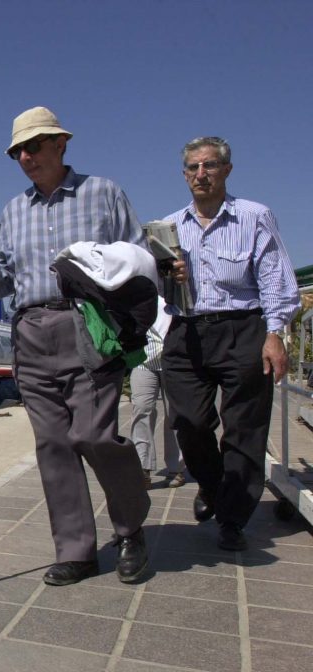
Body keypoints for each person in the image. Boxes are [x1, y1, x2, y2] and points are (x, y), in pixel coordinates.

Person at [0, 107, 173, 586]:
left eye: (34, 145)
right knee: (54, 445)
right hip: (31, 330)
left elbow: (139, 260)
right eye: (17, 150)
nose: (25, 156)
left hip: (88, 325)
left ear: (61, 144)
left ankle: (131, 528)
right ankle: (77, 550)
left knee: (94, 436)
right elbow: (3, 283)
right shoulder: (12, 211)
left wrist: (135, 324)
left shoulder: (103, 193)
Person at [161, 137, 300, 551]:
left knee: (244, 429)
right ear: (184, 174)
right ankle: (211, 483)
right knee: (189, 421)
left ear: (226, 170)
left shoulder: (254, 216)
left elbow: (275, 278)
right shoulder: (168, 227)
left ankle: (233, 519)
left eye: (209, 166)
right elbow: (153, 288)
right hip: (186, 332)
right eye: (191, 168)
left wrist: (274, 333)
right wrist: (168, 276)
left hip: (243, 328)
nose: (200, 174)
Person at [129, 298, 185, 489]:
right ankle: (142, 468)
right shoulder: (142, 291)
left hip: (174, 361)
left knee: (173, 415)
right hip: (144, 360)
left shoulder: (177, 294)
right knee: (142, 409)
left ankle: (175, 468)